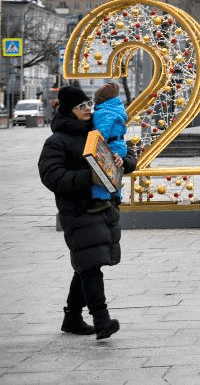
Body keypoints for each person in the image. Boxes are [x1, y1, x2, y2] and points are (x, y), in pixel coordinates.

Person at [38, 86, 137, 340]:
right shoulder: (57, 142)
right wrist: (87, 177)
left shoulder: (99, 131)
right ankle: (102, 321)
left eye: (88, 104)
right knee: (90, 267)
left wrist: (121, 161)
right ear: (69, 111)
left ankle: (72, 317)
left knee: (86, 264)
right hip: (79, 211)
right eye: (80, 107)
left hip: (104, 207)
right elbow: (52, 176)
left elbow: (129, 158)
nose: (87, 110)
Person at [91, 83, 127, 211]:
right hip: (119, 146)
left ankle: (100, 199)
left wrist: (96, 147)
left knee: (101, 173)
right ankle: (117, 195)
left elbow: (101, 134)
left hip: (110, 147)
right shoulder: (116, 108)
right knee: (115, 172)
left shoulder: (104, 113)